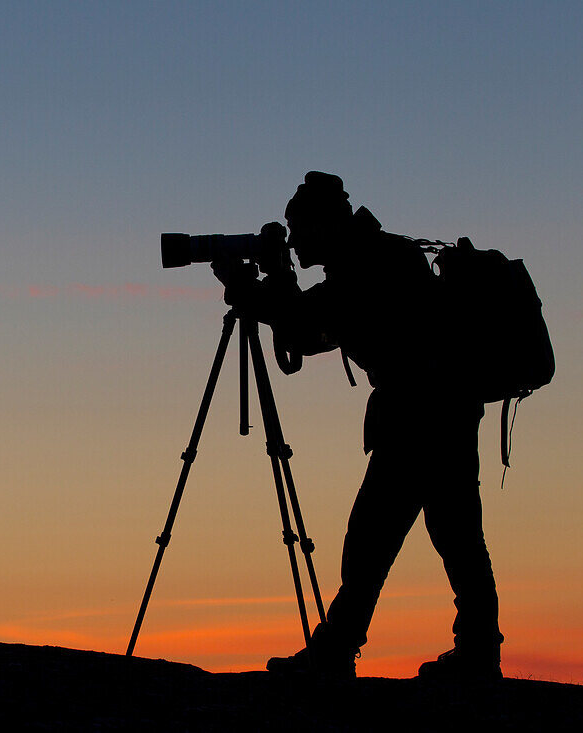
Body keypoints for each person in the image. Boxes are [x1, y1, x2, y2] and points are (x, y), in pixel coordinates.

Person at [215, 172, 503, 681]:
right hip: (447, 412)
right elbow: (313, 324)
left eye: (298, 229)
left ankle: (337, 652)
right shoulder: (379, 257)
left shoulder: (370, 267)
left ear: (323, 226)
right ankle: (477, 652)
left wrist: (252, 291)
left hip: (419, 417)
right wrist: (274, 287)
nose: (295, 241)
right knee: (455, 535)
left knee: (375, 538)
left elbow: (308, 328)